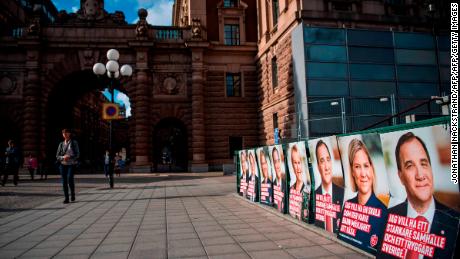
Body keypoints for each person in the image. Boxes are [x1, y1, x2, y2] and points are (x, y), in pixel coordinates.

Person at [379, 132, 459, 259]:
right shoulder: (388, 218)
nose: (420, 175)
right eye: (410, 166)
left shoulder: (454, 222)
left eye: (423, 163)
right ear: (401, 177)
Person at [339, 139, 387, 254]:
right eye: (357, 167)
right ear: (352, 172)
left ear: (372, 169)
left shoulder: (384, 212)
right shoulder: (348, 205)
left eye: (366, 166)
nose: (363, 174)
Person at [314, 140, 344, 232]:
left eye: (328, 159)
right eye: (322, 161)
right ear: (318, 166)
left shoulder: (343, 194)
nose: (327, 167)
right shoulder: (315, 195)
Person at [56, 129, 80, 204]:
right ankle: (66, 198)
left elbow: (77, 154)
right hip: (63, 164)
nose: (65, 134)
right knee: (64, 182)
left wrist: (69, 156)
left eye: (66, 133)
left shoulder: (74, 142)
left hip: (71, 164)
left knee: (70, 178)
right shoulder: (61, 144)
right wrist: (63, 157)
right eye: (63, 133)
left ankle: (72, 193)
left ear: (69, 134)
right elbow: (57, 156)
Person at [289, 144, 309, 222]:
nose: (298, 168)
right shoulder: (291, 189)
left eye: (300, 162)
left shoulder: (307, 191)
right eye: (295, 163)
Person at [272, 146, 286, 212]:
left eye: (279, 161)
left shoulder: (285, 183)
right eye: (275, 162)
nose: (277, 165)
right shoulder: (273, 183)